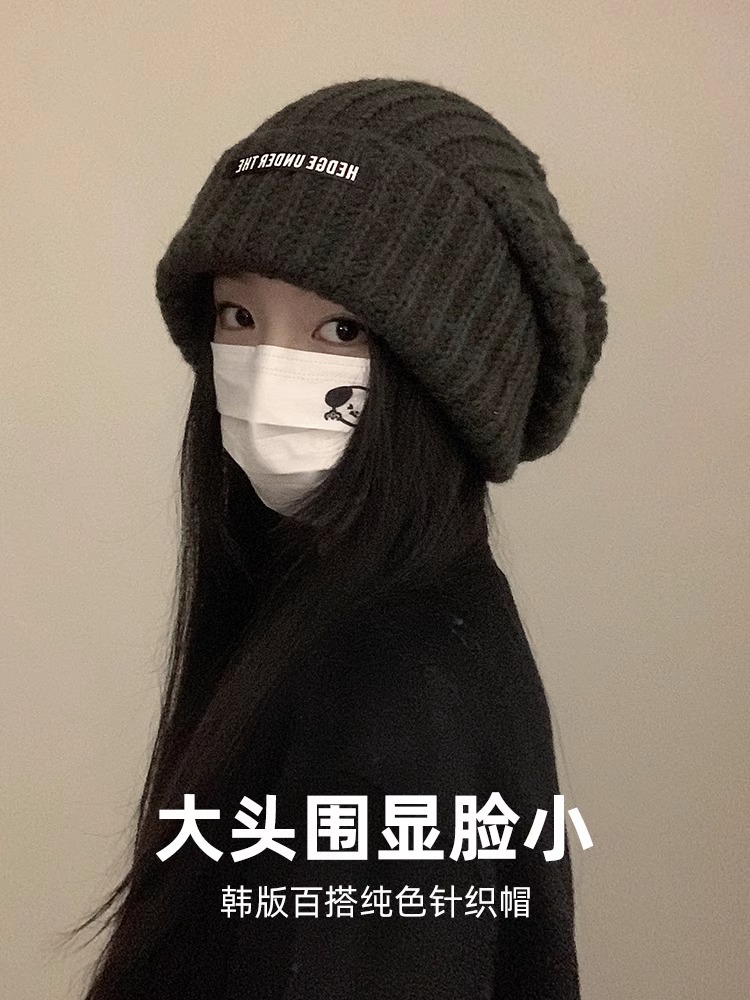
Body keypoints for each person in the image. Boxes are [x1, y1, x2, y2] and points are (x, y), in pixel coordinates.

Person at [67, 76, 608, 999]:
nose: (267, 372)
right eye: (239, 316)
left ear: (446, 383)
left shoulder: (390, 694)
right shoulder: (376, 622)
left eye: (341, 328)